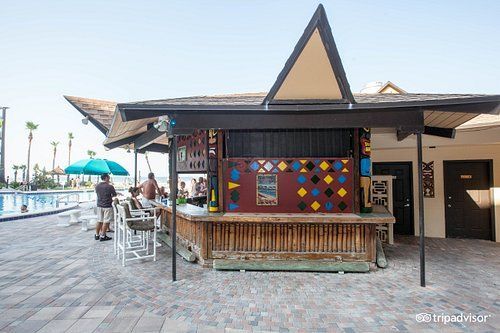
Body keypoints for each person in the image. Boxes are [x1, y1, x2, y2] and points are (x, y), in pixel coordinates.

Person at [95, 173, 117, 242]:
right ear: (106, 178)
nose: (109, 178)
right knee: (106, 221)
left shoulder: (97, 186)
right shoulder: (110, 186)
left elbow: (98, 194)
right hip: (107, 206)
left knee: (99, 220)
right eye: (109, 177)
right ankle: (103, 236)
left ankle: (97, 235)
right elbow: (114, 195)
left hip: (99, 205)